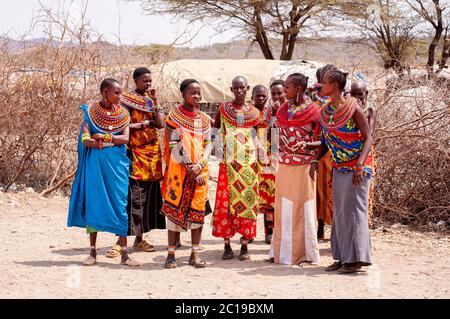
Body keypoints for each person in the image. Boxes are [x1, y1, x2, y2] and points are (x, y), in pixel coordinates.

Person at [68, 78, 140, 267]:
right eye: (117, 93)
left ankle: (124, 254)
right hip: (95, 167)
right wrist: (106, 141)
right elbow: (86, 141)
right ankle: (92, 252)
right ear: (106, 92)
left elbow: (125, 139)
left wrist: (102, 137)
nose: (120, 97)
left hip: (117, 167)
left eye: (120, 93)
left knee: (120, 205)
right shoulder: (90, 113)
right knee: (94, 203)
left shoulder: (124, 114)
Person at [310, 69, 373, 274]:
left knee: (355, 212)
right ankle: (342, 257)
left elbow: (368, 137)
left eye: (325, 83)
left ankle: (355, 260)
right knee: (339, 212)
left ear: (335, 86)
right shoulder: (326, 111)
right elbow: (327, 141)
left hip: (356, 168)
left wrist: (359, 165)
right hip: (338, 167)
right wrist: (315, 160)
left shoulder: (353, 108)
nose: (321, 85)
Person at [105, 67, 166, 258]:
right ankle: (119, 242)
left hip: (152, 156)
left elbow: (160, 124)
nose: (148, 84)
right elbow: (121, 125)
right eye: (144, 81)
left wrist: (155, 103)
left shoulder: (149, 100)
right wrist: (142, 124)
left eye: (150, 81)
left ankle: (139, 239)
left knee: (148, 199)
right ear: (136, 81)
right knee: (132, 198)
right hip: (135, 154)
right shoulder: (126, 100)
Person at [267, 73, 321, 266]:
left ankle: (304, 254)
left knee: (303, 207)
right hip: (283, 165)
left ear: (298, 89)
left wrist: (306, 146)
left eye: (288, 87)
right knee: (282, 207)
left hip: (305, 166)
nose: (285, 90)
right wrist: (273, 156)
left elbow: (321, 141)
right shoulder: (282, 110)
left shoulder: (314, 111)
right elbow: (273, 133)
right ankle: (281, 252)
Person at [212, 75, 261, 261]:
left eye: (242, 88)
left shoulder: (255, 113)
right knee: (226, 204)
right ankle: (226, 245)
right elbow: (216, 131)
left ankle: (245, 245)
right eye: (236, 88)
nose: (239, 90)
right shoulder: (224, 109)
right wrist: (218, 153)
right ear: (232, 90)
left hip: (249, 165)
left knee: (248, 203)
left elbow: (258, 136)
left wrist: (261, 152)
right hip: (228, 164)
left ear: (247, 89)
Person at [311, 65, 337, 240]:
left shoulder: (339, 101)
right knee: (318, 191)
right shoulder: (312, 101)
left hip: (335, 151)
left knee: (334, 190)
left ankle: (335, 228)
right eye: (321, 79)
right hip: (318, 150)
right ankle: (319, 226)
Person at [350, 80, 377, 227]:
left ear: (366, 94)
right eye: (353, 94)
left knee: (362, 195)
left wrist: (358, 113)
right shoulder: (346, 109)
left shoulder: (369, 110)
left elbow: (369, 134)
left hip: (365, 155)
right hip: (348, 155)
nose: (356, 98)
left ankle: (362, 230)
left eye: (360, 94)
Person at [252, 85, 276, 244]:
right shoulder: (246, 112)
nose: (260, 98)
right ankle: (248, 232)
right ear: (252, 97)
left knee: (268, 194)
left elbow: (275, 133)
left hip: (268, 156)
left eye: (263, 95)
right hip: (250, 155)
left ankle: (269, 231)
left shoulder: (272, 111)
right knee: (251, 193)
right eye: (257, 96)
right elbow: (243, 129)